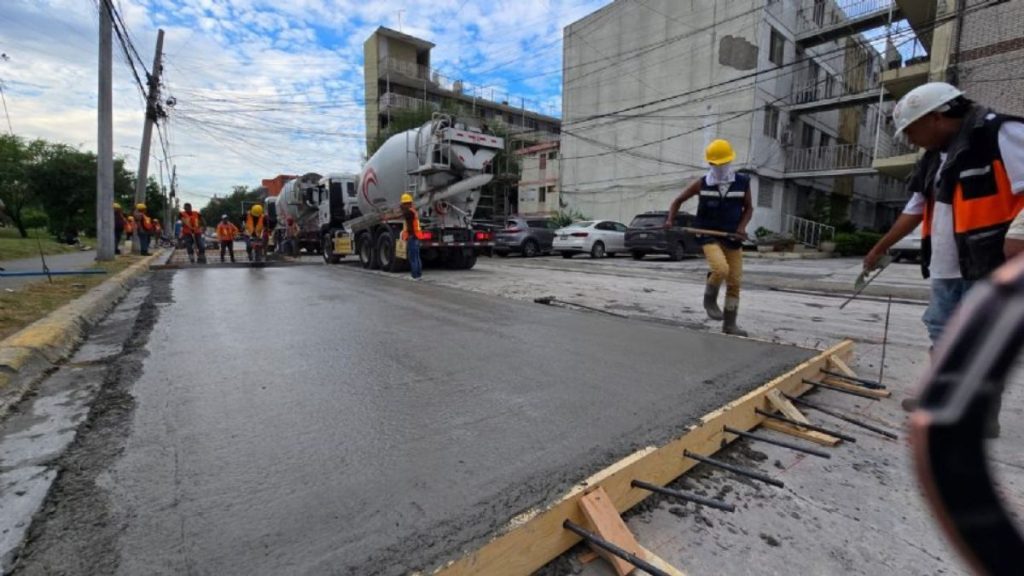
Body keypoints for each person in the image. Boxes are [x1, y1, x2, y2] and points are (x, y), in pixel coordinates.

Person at [863, 82, 1024, 436]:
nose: (910, 140)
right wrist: (879, 248)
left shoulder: (999, 132)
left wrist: (1019, 234)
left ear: (935, 117)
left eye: (911, 130)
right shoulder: (935, 157)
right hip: (947, 264)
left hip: (990, 262)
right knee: (942, 332)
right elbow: (915, 209)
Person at [665, 139, 754, 336]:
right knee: (720, 268)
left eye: (722, 163)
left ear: (729, 161)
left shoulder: (742, 182)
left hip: (732, 236)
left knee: (735, 281)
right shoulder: (702, 183)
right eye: (715, 164)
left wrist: (741, 227)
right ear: (710, 164)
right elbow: (677, 201)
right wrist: (670, 219)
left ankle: (729, 324)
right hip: (707, 234)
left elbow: (748, 208)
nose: (719, 167)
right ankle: (709, 299)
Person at [400, 193, 422, 280]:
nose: (402, 205)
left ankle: (415, 276)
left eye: (403, 204)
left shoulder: (408, 213)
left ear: (406, 204)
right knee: (417, 257)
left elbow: (402, 216)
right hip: (416, 237)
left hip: (412, 237)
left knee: (412, 258)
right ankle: (419, 275)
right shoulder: (413, 211)